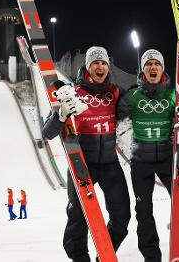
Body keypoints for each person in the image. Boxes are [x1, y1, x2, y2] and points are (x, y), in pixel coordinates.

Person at [42, 46, 131, 262]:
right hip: (82, 163)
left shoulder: (116, 92)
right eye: (95, 63)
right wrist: (62, 114)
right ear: (88, 67)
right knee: (77, 218)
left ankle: (105, 254)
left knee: (122, 218)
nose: (100, 67)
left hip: (110, 163)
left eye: (103, 63)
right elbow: (47, 133)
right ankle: (79, 258)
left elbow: (134, 110)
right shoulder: (72, 92)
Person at [119, 49, 179, 261]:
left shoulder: (174, 95)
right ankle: (151, 257)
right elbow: (114, 116)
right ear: (142, 69)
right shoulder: (132, 95)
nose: (152, 67)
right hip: (141, 161)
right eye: (148, 64)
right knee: (143, 212)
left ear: (162, 68)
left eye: (157, 64)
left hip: (167, 159)